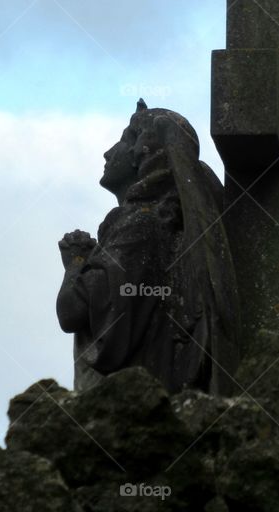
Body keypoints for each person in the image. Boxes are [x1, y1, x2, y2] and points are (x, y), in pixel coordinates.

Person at [56, 99, 240, 395]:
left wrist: (75, 263)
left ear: (141, 154)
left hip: (136, 406)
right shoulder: (159, 225)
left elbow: (72, 311)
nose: (108, 152)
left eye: (122, 141)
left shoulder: (137, 228)